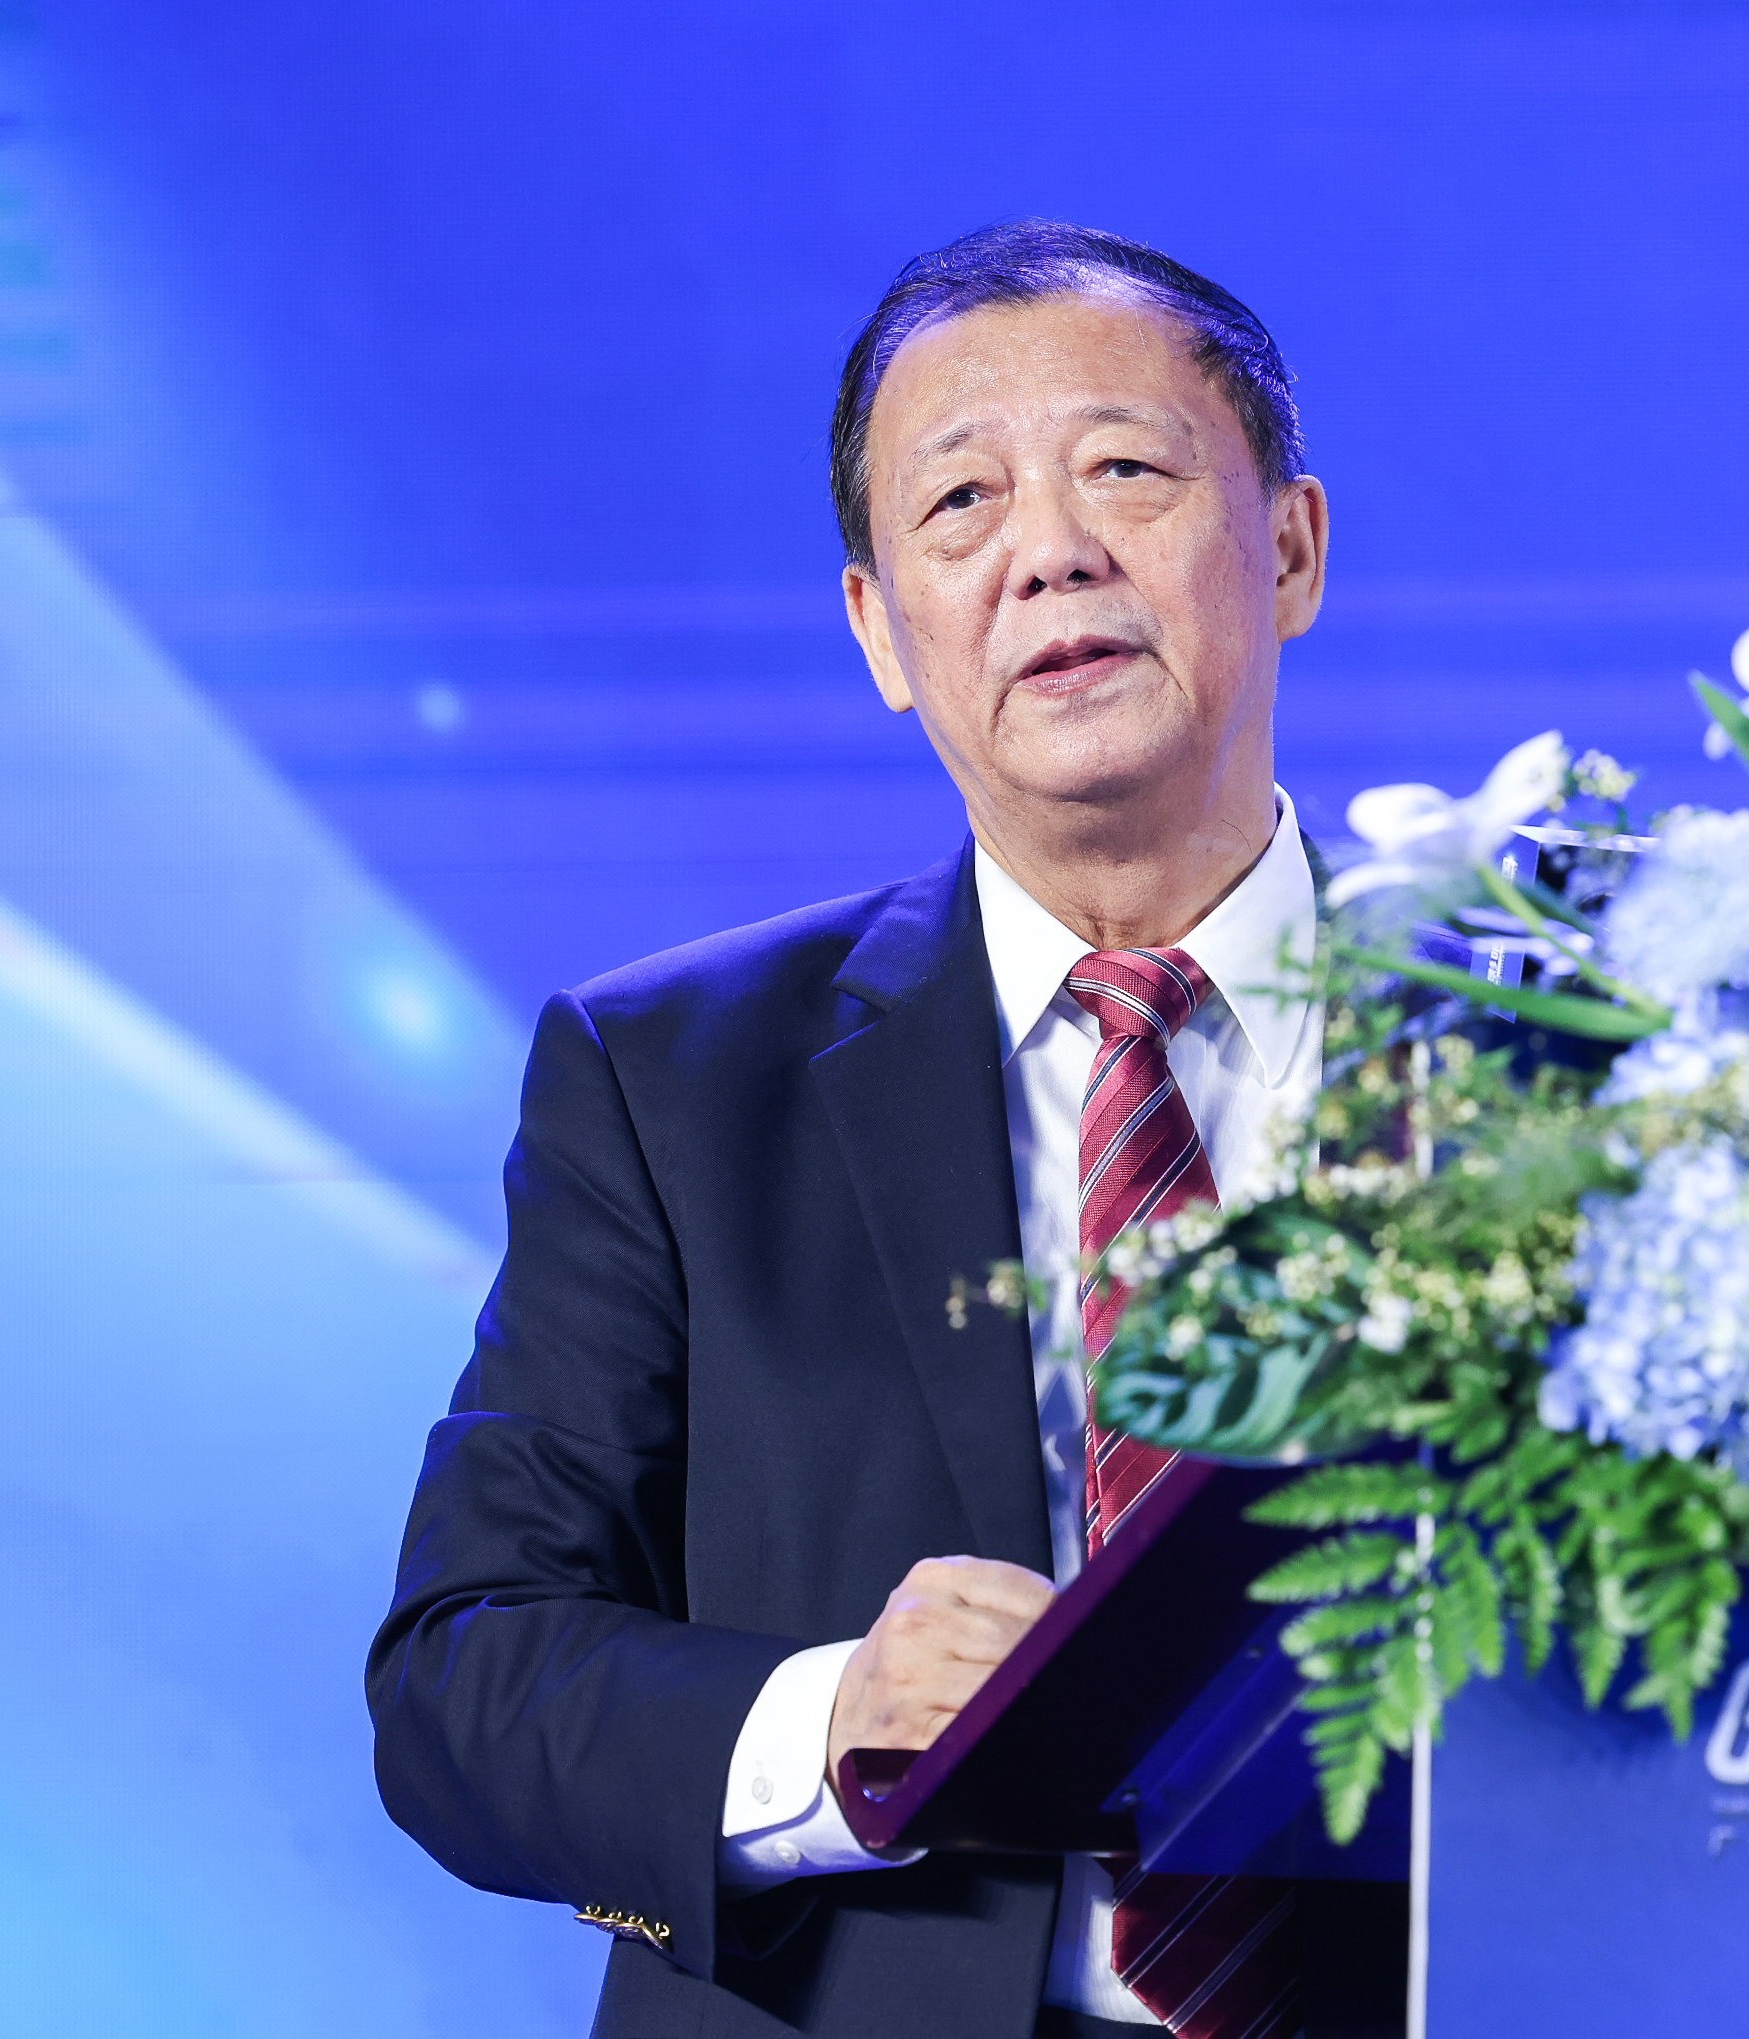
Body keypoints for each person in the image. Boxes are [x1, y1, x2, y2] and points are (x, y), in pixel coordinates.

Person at [368, 221, 1360, 2039]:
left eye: (1124, 472)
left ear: (1288, 546)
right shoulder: (669, 1081)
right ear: (878, 630)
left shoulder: (1566, 1046)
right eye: (959, 503)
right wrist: (835, 1722)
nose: (1049, 552)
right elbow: (466, 1682)